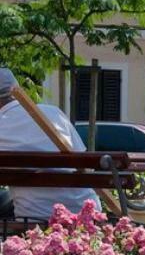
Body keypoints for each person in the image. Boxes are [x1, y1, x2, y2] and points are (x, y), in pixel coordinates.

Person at [0, 68, 101, 220]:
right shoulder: (54, 113)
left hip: (34, 217)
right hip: (86, 212)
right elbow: (82, 159)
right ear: (17, 89)